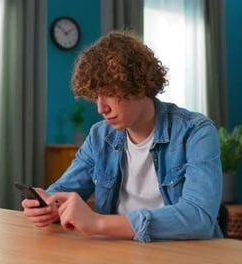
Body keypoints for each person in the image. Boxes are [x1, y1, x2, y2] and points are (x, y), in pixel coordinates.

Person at [21, 31, 223, 242]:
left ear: (139, 85)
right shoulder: (100, 136)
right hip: (118, 252)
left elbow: (198, 218)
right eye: (96, 96)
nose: (101, 107)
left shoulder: (196, 132)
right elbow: (62, 192)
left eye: (109, 93)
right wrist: (47, 204)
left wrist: (98, 223)